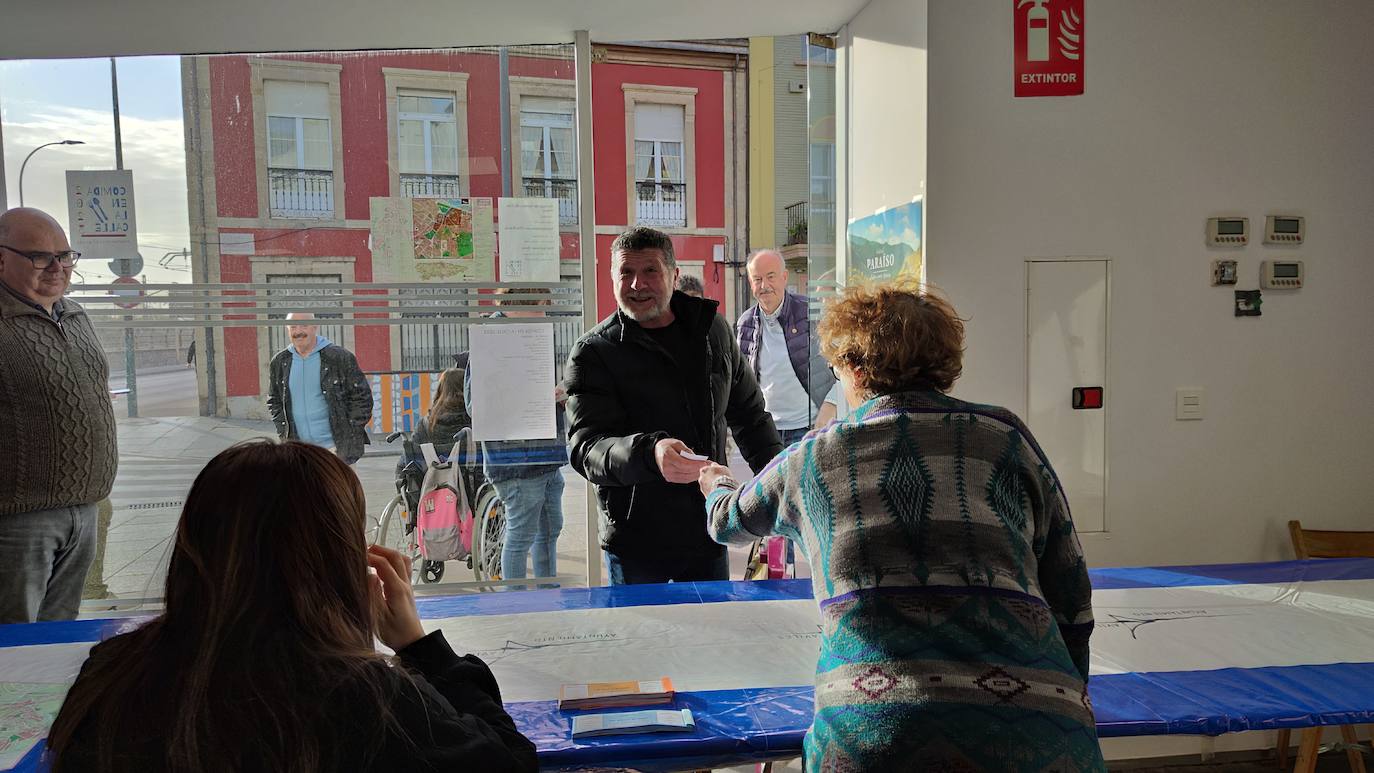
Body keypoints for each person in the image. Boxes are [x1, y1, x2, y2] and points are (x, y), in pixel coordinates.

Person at [699, 281, 1105, 772]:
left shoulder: (815, 457)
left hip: (871, 737)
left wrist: (716, 483)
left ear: (852, 366)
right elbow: (1071, 594)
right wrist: (1061, 691)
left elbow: (729, 522)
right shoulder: (1006, 438)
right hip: (1043, 737)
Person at [47, 440, 538, 772]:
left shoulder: (112, 672)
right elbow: (510, 761)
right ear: (336, 557)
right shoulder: (366, 701)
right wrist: (421, 647)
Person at [564, 226, 781, 585]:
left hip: (708, 527)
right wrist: (650, 453)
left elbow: (750, 417)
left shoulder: (713, 331)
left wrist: (778, 484)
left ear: (674, 275)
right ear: (612, 279)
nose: (637, 284)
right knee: (643, 640)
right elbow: (586, 449)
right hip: (635, 542)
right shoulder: (593, 352)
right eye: (626, 273)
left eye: (650, 270)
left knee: (713, 636)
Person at [0, 207, 117, 624]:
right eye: (39, 256)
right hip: (19, 520)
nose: (57, 267)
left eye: (65, 256)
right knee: (14, 643)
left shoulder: (74, 314)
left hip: (86, 508)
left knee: (59, 631)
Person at [464, 289, 568, 587]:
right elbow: (475, 405)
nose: (545, 316)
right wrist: (535, 397)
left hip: (544, 456)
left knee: (549, 531)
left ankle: (546, 595)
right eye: (540, 308)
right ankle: (519, 604)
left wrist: (553, 397)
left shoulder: (526, 337)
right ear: (517, 305)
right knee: (521, 535)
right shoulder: (491, 340)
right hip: (516, 461)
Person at [736, 249, 835, 447]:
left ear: (784, 277)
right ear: (750, 283)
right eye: (757, 279)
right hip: (767, 430)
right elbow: (743, 380)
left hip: (808, 427)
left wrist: (830, 406)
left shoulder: (810, 313)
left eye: (771, 277)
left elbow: (841, 363)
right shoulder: (745, 323)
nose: (764, 286)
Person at [266, 312, 373, 464]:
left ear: (315, 326)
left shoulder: (339, 358)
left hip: (336, 450)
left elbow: (362, 398)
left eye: (304, 325)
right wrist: (283, 430)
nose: (298, 332)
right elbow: (274, 400)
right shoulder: (280, 362)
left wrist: (349, 433)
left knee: (339, 489)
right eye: (293, 327)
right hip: (299, 453)